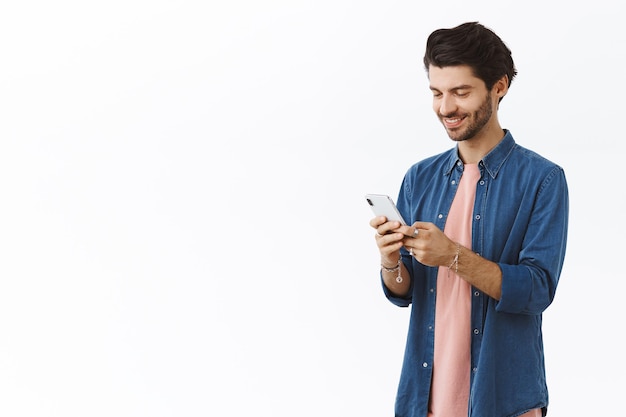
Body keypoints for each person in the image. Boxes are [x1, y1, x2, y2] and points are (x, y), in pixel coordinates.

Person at [369, 22, 568, 417]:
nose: (446, 108)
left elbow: (536, 290)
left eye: (461, 92)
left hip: (503, 399)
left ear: (499, 87)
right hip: (424, 399)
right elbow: (404, 291)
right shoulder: (419, 177)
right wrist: (390, 261)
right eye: (437, 93)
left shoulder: (543, 180)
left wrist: (451, 255)